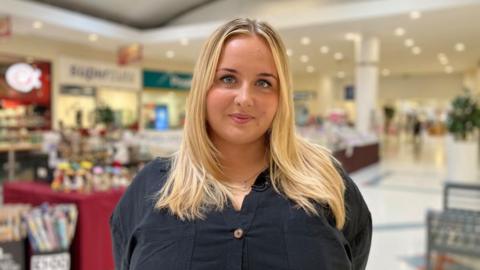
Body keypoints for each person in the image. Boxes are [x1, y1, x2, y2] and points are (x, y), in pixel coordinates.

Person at [110, 18, 372, 270]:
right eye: (227, 79)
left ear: (281, 97)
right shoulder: (151, 189)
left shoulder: (328, 184)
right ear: (203, 87)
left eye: (263, 83)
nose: (245, 98)